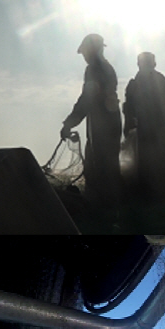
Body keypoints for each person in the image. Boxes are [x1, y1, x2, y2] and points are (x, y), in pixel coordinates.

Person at [61, 34, 122, 213]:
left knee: (101, 168)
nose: (84, 57)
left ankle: (105, 210)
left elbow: (87, 99)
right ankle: (110, 208)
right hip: (106, 122)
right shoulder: (105, 67)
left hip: (103, 124)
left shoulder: (95, 69)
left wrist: (69, 124)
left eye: (85, 52)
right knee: (103, 166)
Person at [123, 53, 165, 200]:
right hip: (151, 132)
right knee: (153, 167)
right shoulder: (151, 80)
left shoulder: (139, 82)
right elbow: (129, 109)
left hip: (153, 132)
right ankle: (156, 197)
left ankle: (155, 198)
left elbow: (129, 109)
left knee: (152, 167)